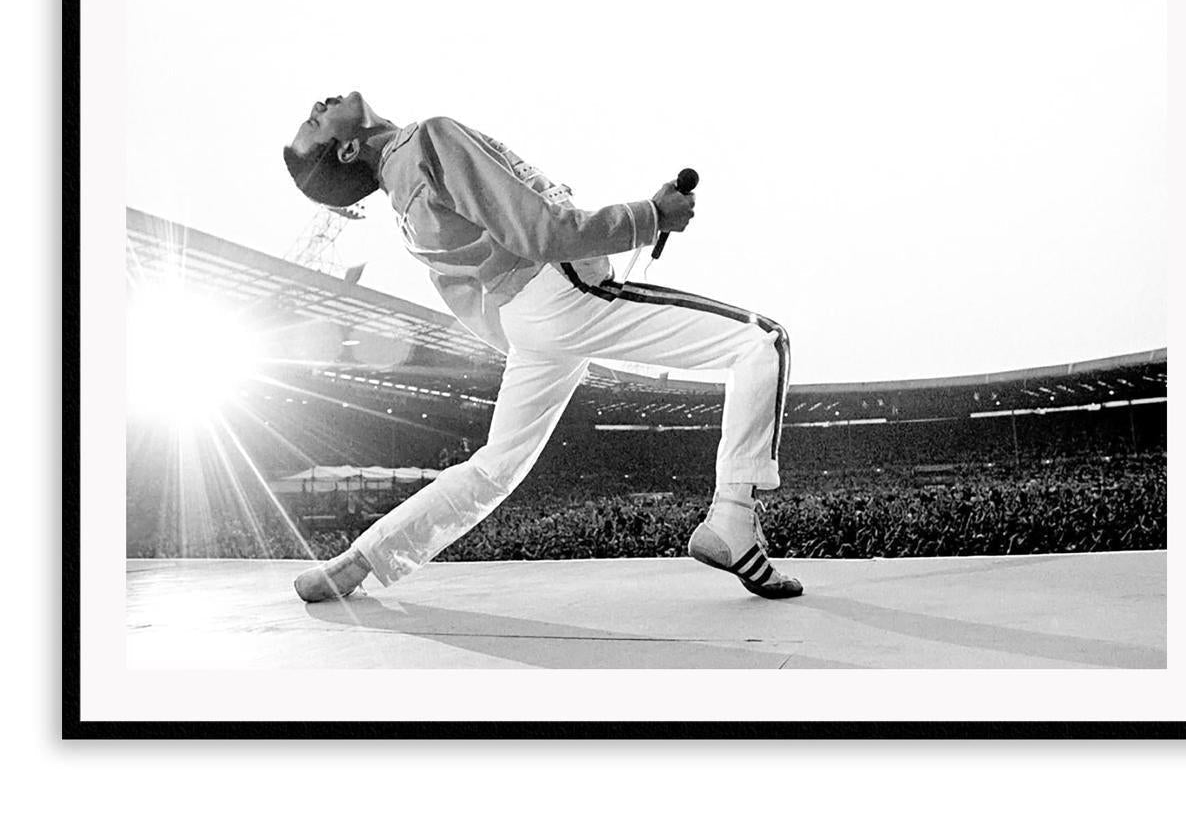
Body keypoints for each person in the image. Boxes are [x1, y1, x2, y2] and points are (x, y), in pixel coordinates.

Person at [282, 92, 801, 603]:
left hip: (527, 320)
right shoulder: (428, 138)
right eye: (316, 119)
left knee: (492, 470)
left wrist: (533, 330)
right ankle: (734, 515)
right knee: (762, 343)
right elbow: (541, 230)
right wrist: (650, 216)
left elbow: (470, 293)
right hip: (559, 292)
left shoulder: (403, 205)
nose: (320, 103)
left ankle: (356, 561)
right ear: (348, 151)